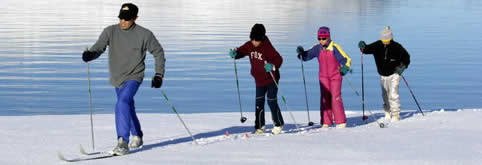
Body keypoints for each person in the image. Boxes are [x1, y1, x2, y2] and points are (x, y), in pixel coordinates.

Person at [82, 3, 165, 155]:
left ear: (135, 18)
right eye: (121, 18)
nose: (123, 22)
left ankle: (122, 142)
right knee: (126, 105)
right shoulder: (110, 31)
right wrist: (91, 55)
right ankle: (138, 135)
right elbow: (99, 47)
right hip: (117, 77)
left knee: (122, 102)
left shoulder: (145, 34)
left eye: (127, 19)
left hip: (134, 76)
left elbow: (158, 53)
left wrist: (159, 75)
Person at [229, 24, 285, 135]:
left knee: (271, 101)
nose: (255, 42)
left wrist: (272, 66)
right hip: (259, 79)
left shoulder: (267, 47)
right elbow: (241, 51)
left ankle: (278, 124)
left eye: (257, 40)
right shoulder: (249, 45)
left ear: (262, 38)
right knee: (259, 102)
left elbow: (279, 59)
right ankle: (260, 126)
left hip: (271, 79)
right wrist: (235, 53)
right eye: (253, 39)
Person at [297, 26, 351, 128]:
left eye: (323, 38)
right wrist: (301, 53)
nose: (321, 41)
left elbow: (346, 59)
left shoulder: (335, 48)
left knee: (335, 97)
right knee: (325, 98)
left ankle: (340, 121)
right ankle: (326, 122)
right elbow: (307, 56)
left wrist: (345, 68)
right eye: (319, 38)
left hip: (335, 76)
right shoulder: (317, 48)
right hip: (323, 77)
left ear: (328, 37)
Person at [358, 26, 410, 122]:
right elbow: (366, 49)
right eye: (384, 40)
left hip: (394, 74)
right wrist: (363, 47)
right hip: (382, 75)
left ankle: (395, 114)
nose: (385, 42)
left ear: (391, 38)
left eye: (387, 40)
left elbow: (406, 57)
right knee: (385, 94)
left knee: (393, 94)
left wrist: (402, 67)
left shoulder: (397, 47)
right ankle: (387, 111)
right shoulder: (377, 45)